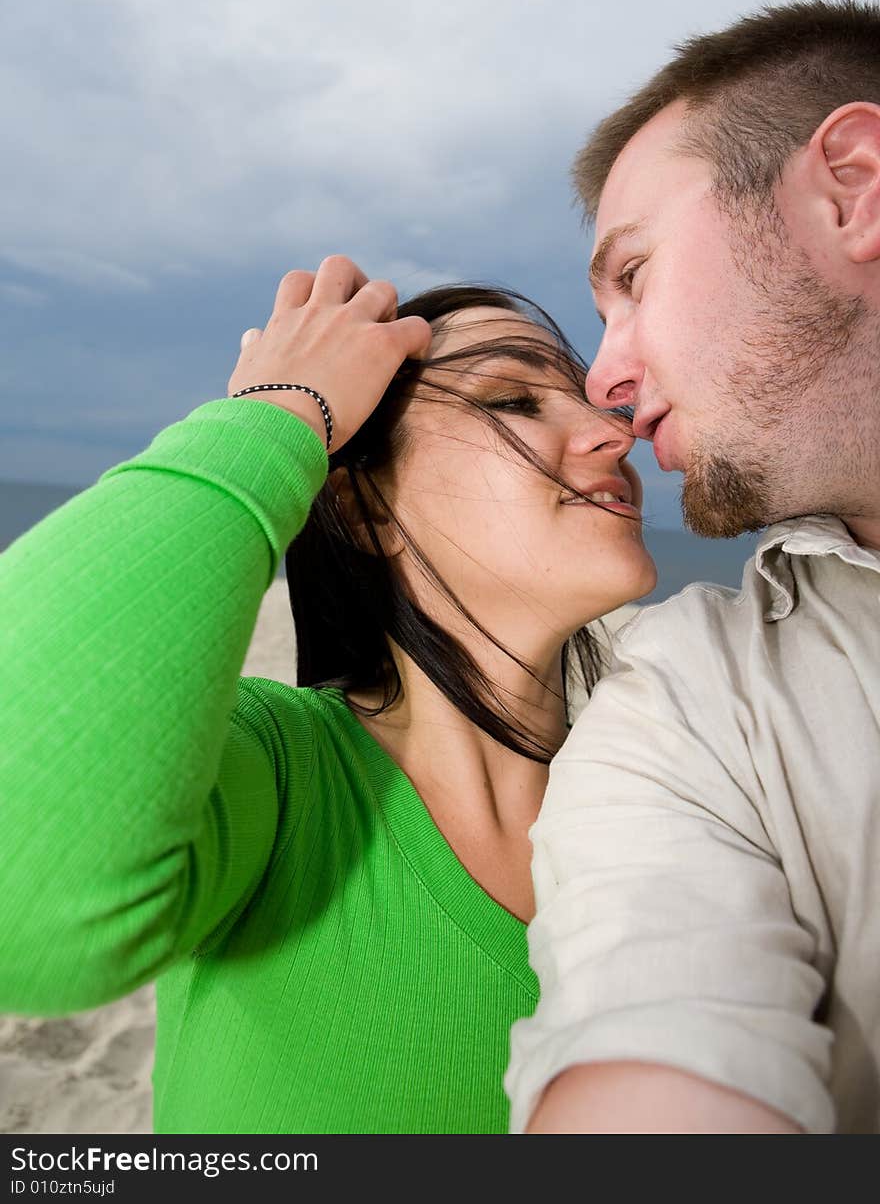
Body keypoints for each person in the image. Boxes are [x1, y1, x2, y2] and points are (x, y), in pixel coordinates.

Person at [0, 256, 656, 1134]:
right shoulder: (278, 773)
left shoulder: (677, 794)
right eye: (514, 399)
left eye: (592, 398)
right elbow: (28, 911)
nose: (616, 432)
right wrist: (275, 416)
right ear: (363, 512)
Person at [504, 0, 880, 1135]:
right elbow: (650, 1018)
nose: (605, 384)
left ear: (854, 186)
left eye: (631, 275)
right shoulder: (697, 701)